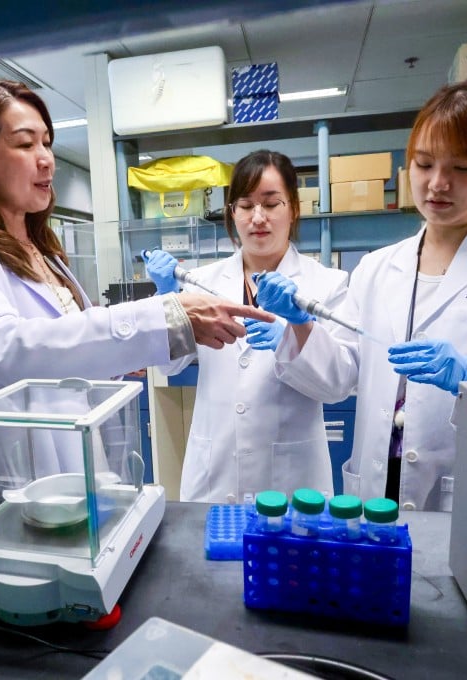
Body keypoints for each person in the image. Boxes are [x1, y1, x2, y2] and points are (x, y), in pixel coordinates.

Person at [256, 77, 467, 512]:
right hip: (375, 492)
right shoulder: (377, 267)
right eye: (424, 164)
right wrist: (300, 327)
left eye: (463, 167)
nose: (437, 184)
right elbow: (339, 379)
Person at [0, 79, 273, 476]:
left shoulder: (46, 253)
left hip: (85, 461)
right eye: (24, 144)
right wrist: (159, 318)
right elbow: (6, 348)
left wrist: (124, 354)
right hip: (27, 476)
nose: (46, 159)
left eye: (47, 143)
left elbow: (67, 347)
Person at [144, 150, 349, 502]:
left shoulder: (327, 284)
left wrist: (296, 332)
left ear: (294, 208)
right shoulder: (199, 282)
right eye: (245, 205)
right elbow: (168, 365)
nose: (258, 218)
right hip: (217, 470)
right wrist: (167, 300)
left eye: (271, 204)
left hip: (292, 478)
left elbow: (337, 387)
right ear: (232, 213)